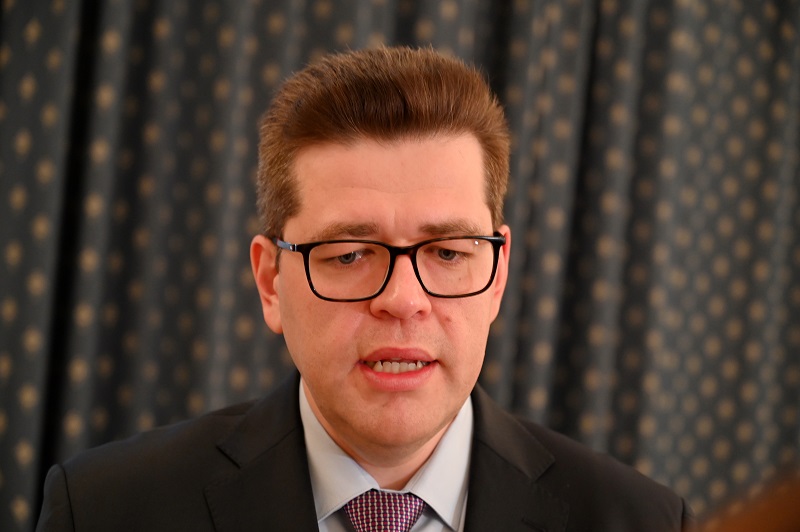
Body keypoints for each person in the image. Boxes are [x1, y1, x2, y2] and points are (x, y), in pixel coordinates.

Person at [36, 46, 693, 531]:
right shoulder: (102, 510)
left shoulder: (645, 522)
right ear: (270, 281)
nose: (404, 300)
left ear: (497, 276)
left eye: (447, 252)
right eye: (350, 254)